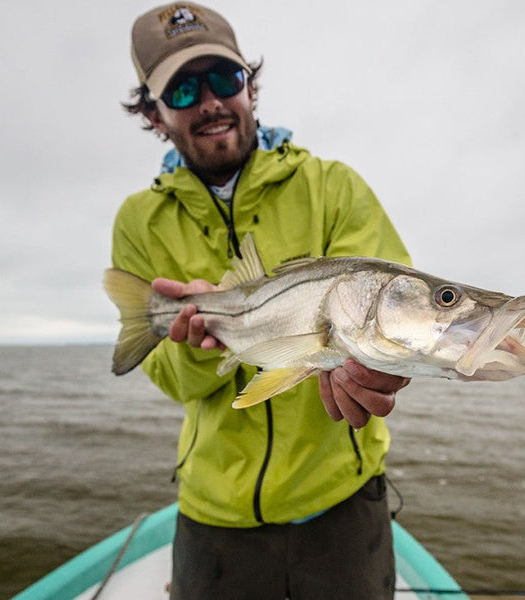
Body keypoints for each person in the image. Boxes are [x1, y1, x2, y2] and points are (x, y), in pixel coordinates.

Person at [114, 3, 412, 598]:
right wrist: (198, 344)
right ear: (154, 113)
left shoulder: (333, 186)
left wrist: (373, 365)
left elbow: (391, 313)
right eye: (182, 89)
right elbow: (172, 381)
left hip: (343, 502)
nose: (211, 103)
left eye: (225, 79)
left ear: (250, 85)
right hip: (213, 513)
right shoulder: (138, 221)